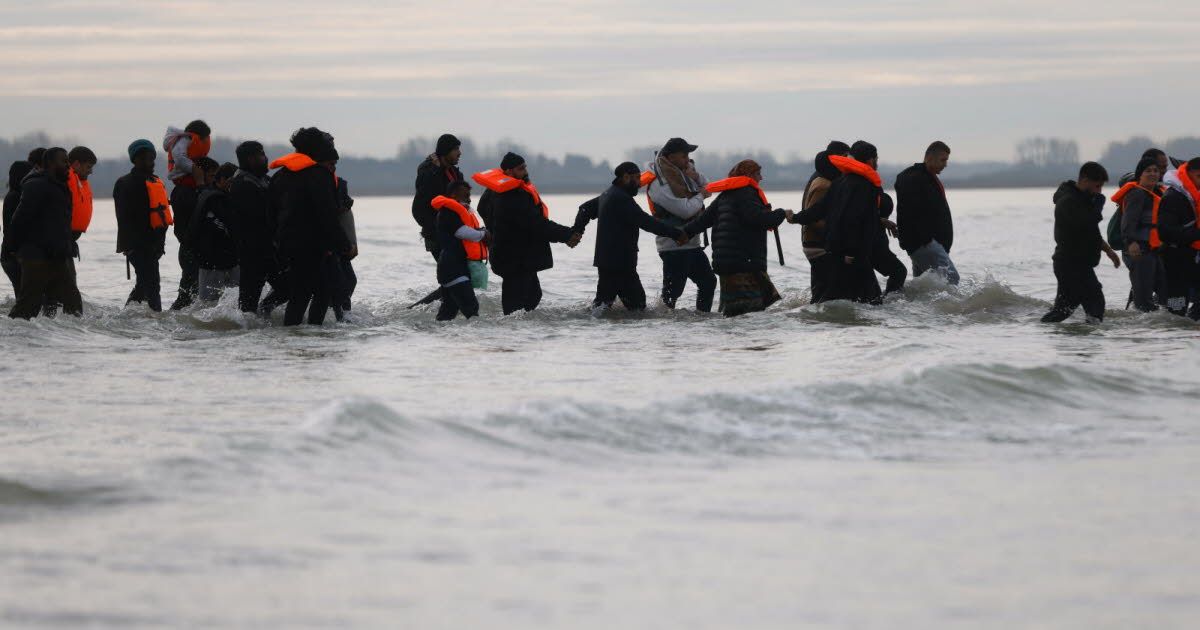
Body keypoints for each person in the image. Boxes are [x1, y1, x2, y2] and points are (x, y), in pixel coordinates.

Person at [681, 160, 791, 317]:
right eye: (758, 173)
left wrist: (682, 234)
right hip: (743, 263)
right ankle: (746, 339)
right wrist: (782, 213)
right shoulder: (746, 193)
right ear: (748, 175)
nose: (761, 178)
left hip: (727, 263)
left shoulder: (725, 196)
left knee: (736, 311)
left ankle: (733, 338)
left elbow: (702, 221)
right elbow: (758, 218)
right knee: (749, 312)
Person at [475, 152, 580, 315]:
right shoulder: (512, 196)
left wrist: (495, 229)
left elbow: (482, 208)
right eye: (520, 168)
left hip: (512, 255)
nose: (525, 171)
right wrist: (566, 235)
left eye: (525, 167)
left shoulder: (493, 190)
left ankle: (520, 333)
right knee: (516, 305)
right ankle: (511, 333)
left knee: (533, 296)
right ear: (508, 171)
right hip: (514, 258)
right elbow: (537, 224)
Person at [574, 162, 686, 311]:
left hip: (606, 261)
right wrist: (677, 234)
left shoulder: (609, 194)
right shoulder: (621, 199)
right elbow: (646, 222)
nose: (640, 183)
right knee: (638, 308)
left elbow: (584, 209)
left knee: (602, 305)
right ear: (626, 177)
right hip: (621, 263)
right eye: (637, 178)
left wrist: (577, 231)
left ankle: (593, 327)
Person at [269, 127, 351, 326]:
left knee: (301, 292)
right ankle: (312, 334)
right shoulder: (318, 176)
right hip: (311, 246)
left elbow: (270, 213)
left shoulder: (280, 176)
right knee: (321, 292)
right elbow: (327, 215)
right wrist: (343, 244)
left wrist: (276, 243)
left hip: (287, 244)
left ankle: (296, 335)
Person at [7, 148, 83, 319]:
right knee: (28, 306)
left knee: (73, 304)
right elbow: (20, 219)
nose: (67, 165)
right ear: (50, 163)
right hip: (36, 257)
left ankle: (71, 340)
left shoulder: (61, 186)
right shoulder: (36, 185)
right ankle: (11, 337)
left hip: (57, 256)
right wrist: (10, 248)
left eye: (68, 161)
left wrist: (68, 246)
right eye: (63, 161)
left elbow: (60, 224)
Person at [1040, 162, 1121, 323]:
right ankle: (1089, 340)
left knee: (1064, 310)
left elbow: (1091, 233)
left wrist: (1108, 251)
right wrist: (1097, 208)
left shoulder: (1082, 201)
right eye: (1097, 186)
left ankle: (1076, 340)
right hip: (1070, 264)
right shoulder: (1068, 202)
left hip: (1076, 264)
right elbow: (1085, 224)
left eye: (1101, 187)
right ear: (1084, 181)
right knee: (1094, 303)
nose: (1099, 191)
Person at [645, 137, 717, 312]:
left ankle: (702, 319)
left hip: (692, 244)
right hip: (673, 246)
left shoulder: (683, 174)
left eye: (688, 155)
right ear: (670, 158)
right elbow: (685, 211)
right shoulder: (659, 184)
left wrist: (697, 176)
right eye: (683, 155)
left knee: (708, 282)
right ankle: (664, 324)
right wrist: (701, 195)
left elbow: (708, 186)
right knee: (673, 292)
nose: (687, 159)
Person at [819, 141, 887, 303]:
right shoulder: (864, 185)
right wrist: (850, 251)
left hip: (838, 250)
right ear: (871, 161)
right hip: (854, 253)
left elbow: (820, 208)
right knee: (872, 299)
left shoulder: (840, 182)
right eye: (876, 159)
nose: (877, 162)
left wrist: (795, 218)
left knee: (836, 295)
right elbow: (852, 219)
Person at [114, 139, 172, 312]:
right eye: (145, 159)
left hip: (154, 245)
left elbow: (161, 217)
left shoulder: (155, 182)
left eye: (152, 158)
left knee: (144, 285)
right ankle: (158, 318)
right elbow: (123, 219)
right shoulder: (124, 183)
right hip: (137, 246)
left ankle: (124, 316)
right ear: (135, 160)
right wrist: (129, 246)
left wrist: (159, 245)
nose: (150, 162)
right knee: (152, 285)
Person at [230, 141, 287, 315]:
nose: (266, 158)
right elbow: (260, 215)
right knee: (248, 306)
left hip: (269, 250)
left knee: (287, 287)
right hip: (252, 251)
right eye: (261, 154)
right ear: (250, 159)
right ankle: (248, 331)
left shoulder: (264, 180)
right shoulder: (241, 184)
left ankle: (264, 313)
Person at [410, 134, 464, 307]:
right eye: (456, 149)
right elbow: (421, 206)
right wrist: (436, 231)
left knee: (456, 278)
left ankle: (441, 310)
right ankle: (419, 309)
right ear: (445, 152)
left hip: (454, 232)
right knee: (455, 278)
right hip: (436, 234)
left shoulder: (454, 173)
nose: (459, 153)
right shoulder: (428, 171)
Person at [895, 141, 958, 284]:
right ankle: (953, 307)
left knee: (923, 287)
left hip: (927, 244)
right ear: (929, 158)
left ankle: (910, 306)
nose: (945, 164)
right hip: (925, 245)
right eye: (943, 160)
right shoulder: (913, 178)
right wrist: (926, 240)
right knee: (952, 279)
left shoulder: (928, 178)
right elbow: (909, 211)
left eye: (946, 160)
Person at [797, 141, 850, 302]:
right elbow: (813, 218)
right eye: (845, 157)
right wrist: (836, 233)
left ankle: (815, 323)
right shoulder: (824, 183)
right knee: (827, 294)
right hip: (818, 244)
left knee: (821, 292)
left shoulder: (820, 177)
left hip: (813, 242)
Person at [1112, 157, 1165, 312]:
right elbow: (1128, 221)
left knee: (1165, 291)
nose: (1153, 174)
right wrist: (1131, 242)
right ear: (1139, 175)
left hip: (1155, 250)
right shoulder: (1136, 195)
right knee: (1143, 295)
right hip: (1139, 250)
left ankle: (1166, 323)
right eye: (1148, 171)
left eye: (1155, 171)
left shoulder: (1158, 194)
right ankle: (1139, 326)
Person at [433, 180, 489, 321]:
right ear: (453, 195)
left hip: (454, 268)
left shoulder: (458, 212)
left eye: (470, 195)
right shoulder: (448, 211)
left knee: (448, 312)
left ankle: (440, 339)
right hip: (452, 268)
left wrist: (480, 231)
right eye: (465, 195)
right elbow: (462, 232)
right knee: (471, 308)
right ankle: (478, 338)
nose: (469, 199)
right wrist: (484, 234)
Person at [169, 157, 219, 310]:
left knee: (196, 295)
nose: (214, 180)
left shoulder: (201, 191)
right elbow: (199, 212)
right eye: (211, 175)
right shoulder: (183, 192)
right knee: (187, 296)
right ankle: (174, 319)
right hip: (190, 251)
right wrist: (200, 184)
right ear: (199, 174)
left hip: (201, 251)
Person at [191, 163, 241, 304]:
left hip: (231, 259)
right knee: (207, 305)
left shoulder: (210, 195)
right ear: (221, 180)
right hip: (211, 261)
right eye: (231, 182)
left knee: (236, 303)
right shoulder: (213, 199)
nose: (234, 186)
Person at [1156, 158, 1200, 317]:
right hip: (1175, 260)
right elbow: (1165, 233)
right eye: (1199, 176)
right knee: (1176, 310)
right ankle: (1174, 339)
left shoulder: (1195, 196)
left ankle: (1190, 330)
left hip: (1193, 259)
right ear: (1187, 175)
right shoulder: (1173, 197)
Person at [2, 160, 34, 296]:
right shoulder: (17, 197)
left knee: (22, 295)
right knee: (26, 296)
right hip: (14, 254)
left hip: (9, 253)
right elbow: (14, 228)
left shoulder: (12, 195)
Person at [332, 176, 359, 319]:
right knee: (342, 282)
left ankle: (343, 315)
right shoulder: (322, 184)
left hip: (343, 245)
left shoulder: (339, 183)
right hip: (333, 245)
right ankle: (340, 316)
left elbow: (346, 222)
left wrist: (352, 244)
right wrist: (348, 245)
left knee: (349, 281)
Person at [871, 192, 907, 298]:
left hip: (874, 244)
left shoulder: (870, 190)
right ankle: (890, 301)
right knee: (899, 271)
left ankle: (888, 300)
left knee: (898, 271)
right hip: (869, 247)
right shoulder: (861, 190)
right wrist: (880, 221)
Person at [163, 120, 212, 188]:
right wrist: (194, 168)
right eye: (205, 137)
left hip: (190, 176)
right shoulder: (184, 141)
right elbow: (179, 158)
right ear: (200, 135)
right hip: (181, 178)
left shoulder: (193, 142)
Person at [66, 146, 96, 238]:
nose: (91, 171)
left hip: (70, 238)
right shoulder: (66, 177)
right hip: (62, 236)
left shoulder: (81, 181)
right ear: (76, 164)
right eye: (88, 167)